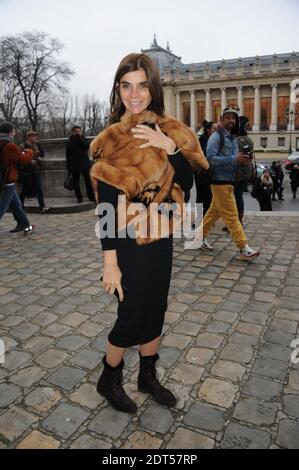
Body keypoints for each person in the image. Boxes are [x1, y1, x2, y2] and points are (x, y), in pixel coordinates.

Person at [89, 53, 208, 414]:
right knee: (131, 314)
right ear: (118, 90)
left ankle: (147, 376)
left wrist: (170, 150)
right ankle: (109, 378)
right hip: (126, 238)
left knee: (156, 308)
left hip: (162, 236)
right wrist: (110, 262)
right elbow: (107, 203)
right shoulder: (112, 138)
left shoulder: (172, 130)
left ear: (152, 88)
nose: (134, 94)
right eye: (126, 86)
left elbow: (191, 183)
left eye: (142, 85)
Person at [189, 107, 260, 260]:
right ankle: (243, 248)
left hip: (229, 181)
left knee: (213, 213)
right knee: (232, 216)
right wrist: (234, 159)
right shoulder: (216, 137)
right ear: (222, 119)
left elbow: (234, 160)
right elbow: (210, 159)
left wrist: (243, 160)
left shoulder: (233, 139)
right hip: (218, 181)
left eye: (233, 118)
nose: (231, 121)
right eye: (227, 118)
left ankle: (198, 238)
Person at [0, 122, 34, 235]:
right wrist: (30, 152)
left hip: (2, 179)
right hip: (8, 180)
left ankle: (26, 225)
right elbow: (24, 159)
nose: (14, 134)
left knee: (16, 205)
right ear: (9, 133)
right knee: (2, 207)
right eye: (13, 132)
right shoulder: (9, 146)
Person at [19, 130, 50, 214]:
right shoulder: (23, 146)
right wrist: (29, 161)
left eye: (36, 136)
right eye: (33, 136)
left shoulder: (37, 145)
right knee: (24, 190)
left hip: (36, 170)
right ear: (28, 137)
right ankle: (20, 207)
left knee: (39, 189)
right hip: (26, 171)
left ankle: (42, 207)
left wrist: (39, 154)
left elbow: (42, 155)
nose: (35, 138)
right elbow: (20, 158)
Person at [66, 126, 95, 203]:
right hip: (74, 165)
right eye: (75, 131)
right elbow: (68, 155)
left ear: (80, 131)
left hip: (84, 164)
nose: (77, 133)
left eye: (78, 131)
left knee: (88, 181)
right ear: (72, 132)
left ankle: (91, 196)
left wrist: (79, 139)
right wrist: (69, 168)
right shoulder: (70, 141)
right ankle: (79, 197)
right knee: (76, 182)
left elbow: (86, 146)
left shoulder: (83, 139)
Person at [195, 120, 217, 216]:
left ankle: (206, 217)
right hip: (201, 173)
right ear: (208, 130)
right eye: (214, 128)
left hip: (209, 173)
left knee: (209, 196)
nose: (216, 130)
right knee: (201, 195)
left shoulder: (215, 141)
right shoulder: (201, 141)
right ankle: (201, 216)